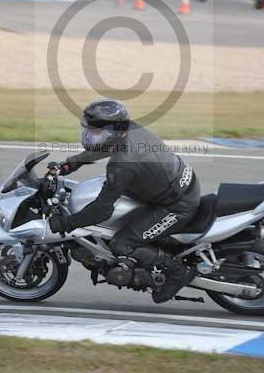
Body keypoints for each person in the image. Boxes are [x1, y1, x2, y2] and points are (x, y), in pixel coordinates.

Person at [50, 99, 201, 303]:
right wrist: (70, 165)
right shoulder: (129, 129)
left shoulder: (121, 165)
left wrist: (67, 224)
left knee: (121, 243)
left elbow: (101, 211)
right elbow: (107, 146)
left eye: (96, 132)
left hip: (177, 206)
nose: (90, 136)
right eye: (90, 130)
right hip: (177, 184)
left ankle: (178, 272)